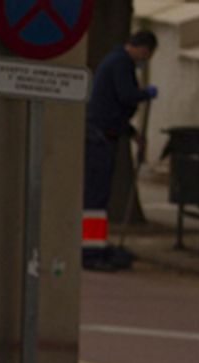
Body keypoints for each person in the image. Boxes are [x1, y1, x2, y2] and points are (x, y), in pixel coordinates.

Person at [83, 30, 158, 272]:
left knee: (98, 197)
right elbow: (126, 97)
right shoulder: (121, 63)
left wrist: (133, 134)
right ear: (142, 48)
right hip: (100, 139)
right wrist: (145, 94)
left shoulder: (115, 60)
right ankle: (90, 250)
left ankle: (94, 245)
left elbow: (112, 106)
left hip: (104, 135)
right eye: (147, 54)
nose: (144, 59)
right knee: (96, 198)